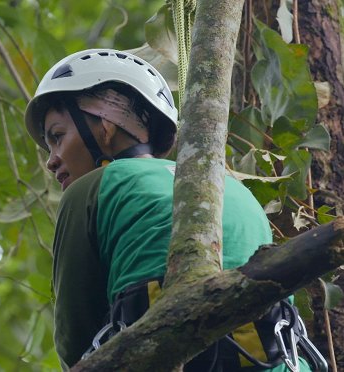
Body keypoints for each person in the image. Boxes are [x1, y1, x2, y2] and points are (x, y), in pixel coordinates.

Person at [24, 49, 324, 371]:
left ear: (105, 126)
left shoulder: (92, 189)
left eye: (57, 136)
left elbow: (76, 337)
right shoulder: (234, 187)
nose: (51, 160)